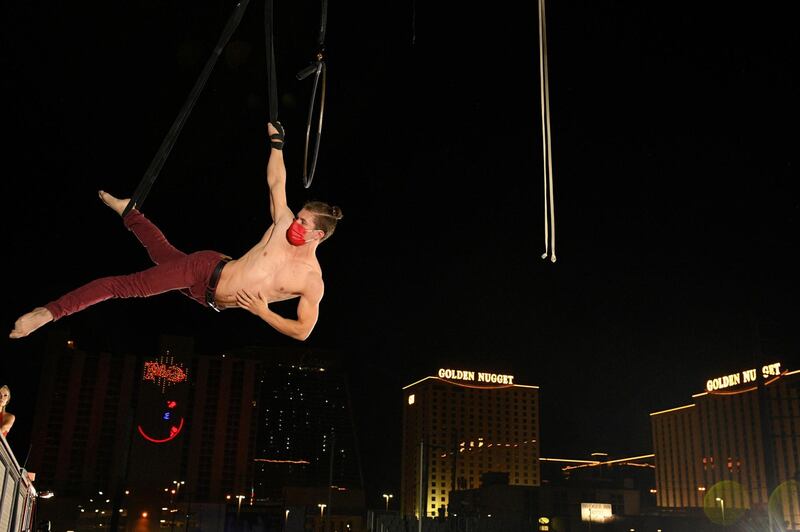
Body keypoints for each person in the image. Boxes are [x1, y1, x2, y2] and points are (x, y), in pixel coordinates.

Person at [9, 122, 342, 341]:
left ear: (318, 236)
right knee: (127, 287)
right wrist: (277, 144)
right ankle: (49, 312)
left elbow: (303, 331)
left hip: (206, 299)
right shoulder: (281, 223)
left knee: (162, 254)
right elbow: (276, 182)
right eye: (298, 217)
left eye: (303, 223)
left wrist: (264, 312)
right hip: (207, 267)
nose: (294, 224)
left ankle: (129, 212)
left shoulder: (312, 281)